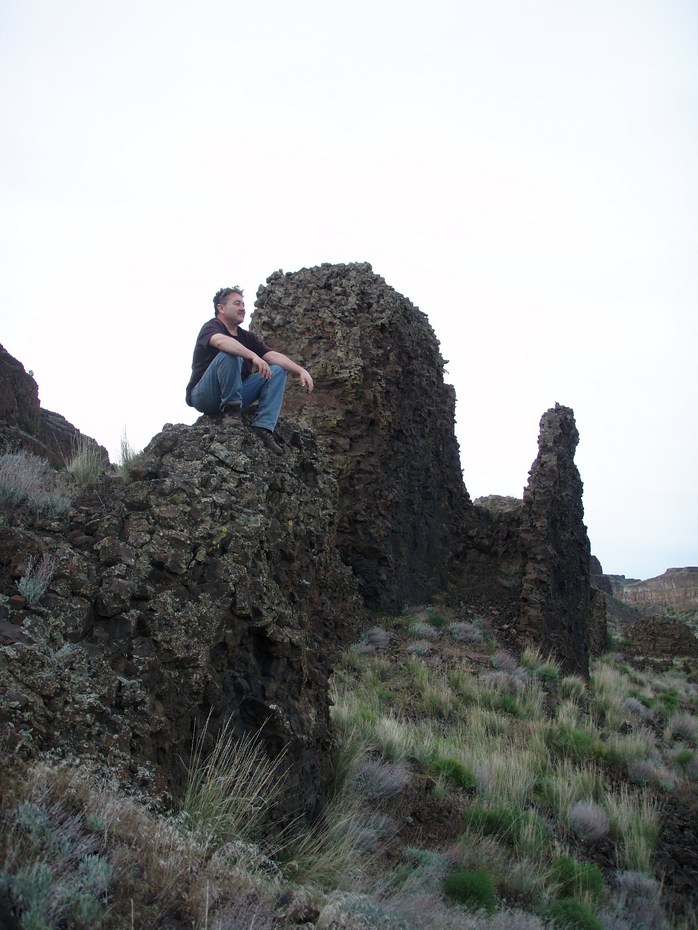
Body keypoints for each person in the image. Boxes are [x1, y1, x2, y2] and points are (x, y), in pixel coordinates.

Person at [186, 286, 313, 455]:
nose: (242, 308)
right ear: (221, 308)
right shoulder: (211, 327)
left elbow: (272, 355)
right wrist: (252, 356)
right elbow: (221, 342)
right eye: (237, 303)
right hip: (205, 396)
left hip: (239, 393)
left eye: (243, 304)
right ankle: (231, 412)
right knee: (230, 353)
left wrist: (300, 370)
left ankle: (263, 427)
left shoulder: (247, 337)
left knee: (277, 371)